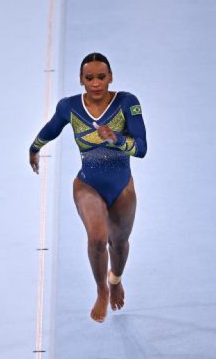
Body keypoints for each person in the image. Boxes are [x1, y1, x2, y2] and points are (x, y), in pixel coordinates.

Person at [29, 52, 147, 323]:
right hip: (87, 185)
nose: (96, 83)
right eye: (89, 78)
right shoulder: (69, 107)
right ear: (81, 79)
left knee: (118, 244)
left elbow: (141, 148)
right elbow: (52, 128)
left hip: (122, 188)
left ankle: (115, 279)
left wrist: (116, 138)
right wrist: (34, 148)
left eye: (101, 77)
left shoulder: (127, 103)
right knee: (96, 238)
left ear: (111, 77)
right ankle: (102, 290)